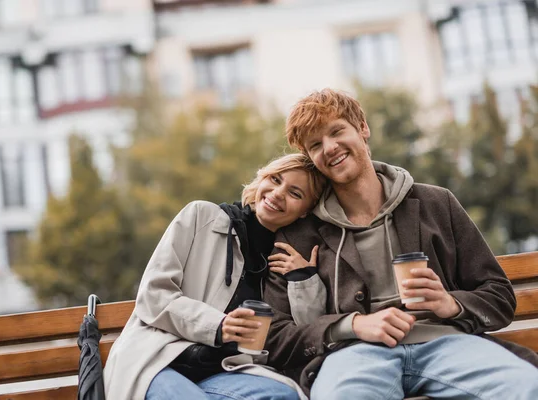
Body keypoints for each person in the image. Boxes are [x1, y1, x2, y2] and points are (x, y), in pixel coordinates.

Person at [263, 89, 538, 400]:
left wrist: (451, 303)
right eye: (315, 145)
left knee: (527, 386)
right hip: (354, 355)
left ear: (362, 128)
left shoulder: (436, 203)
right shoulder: (298, 234)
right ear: (312, 159)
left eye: (337, 131)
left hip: (447, 343)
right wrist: (352, 325)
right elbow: (274, 333)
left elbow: (499, 296)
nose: (330, 148)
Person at [104, 153, 327, 400]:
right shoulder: (201, 217)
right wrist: (218, 325)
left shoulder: (284, 256)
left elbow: (307, 334)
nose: (277, 193)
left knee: (285, 395)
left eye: (295, 193)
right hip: (157, 360)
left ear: (306, 211)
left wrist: (303, 279)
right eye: (275, 179)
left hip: (222, 372)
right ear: (262, 178)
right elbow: (154, 296)